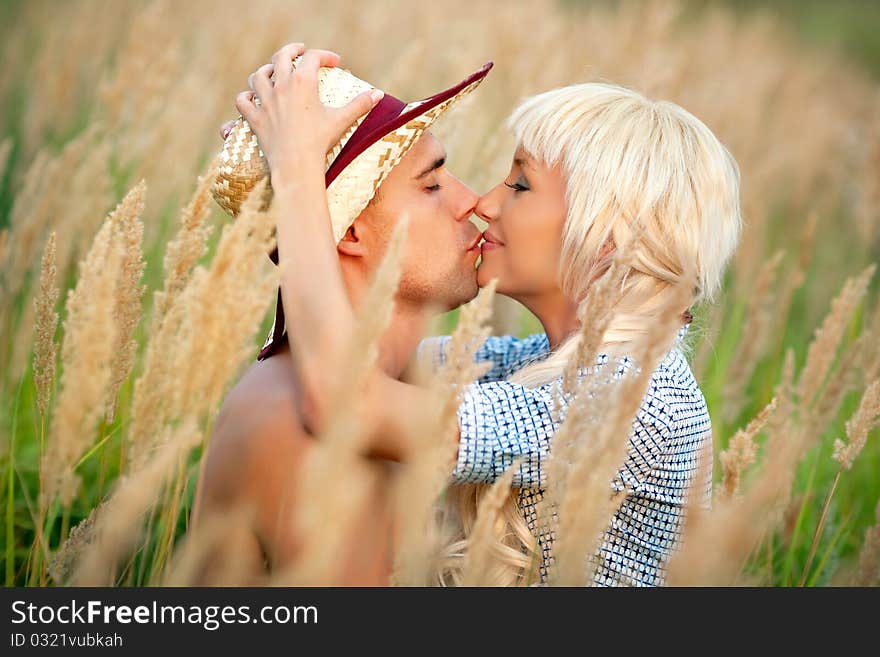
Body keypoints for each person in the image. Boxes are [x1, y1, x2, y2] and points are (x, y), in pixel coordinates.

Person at [197, 43, 743, 587]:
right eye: (432, 184)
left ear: (607, 240)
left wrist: (297, 175)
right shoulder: (542, 364)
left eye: (521, 185)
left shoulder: (636, 402)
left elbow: (353, 400)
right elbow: (383, 367)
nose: (481, 203)